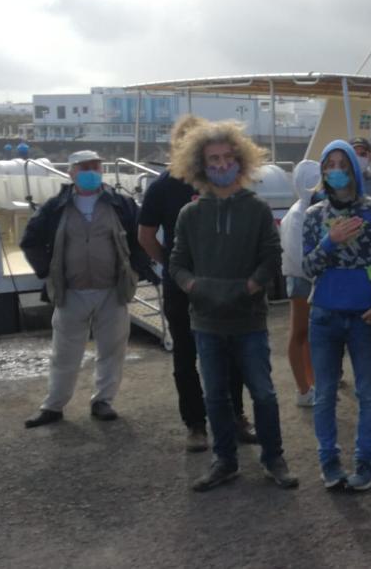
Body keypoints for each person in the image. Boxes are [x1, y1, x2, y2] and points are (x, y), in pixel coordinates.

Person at [169, 121, 298, 492]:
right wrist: (194, 286)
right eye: (213, 159)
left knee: (264, 393)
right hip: (206, 322)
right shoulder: (189, 215)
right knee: (214, 396)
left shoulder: (256, 209)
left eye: (227, 158)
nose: (221, 164)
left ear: (240, 161)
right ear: (199, 164)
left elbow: (271, 256)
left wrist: (251, 287)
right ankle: (224, 461)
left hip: (249, 321)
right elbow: (177, 263)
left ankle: (274, 457)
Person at [139, 116, 258, 450]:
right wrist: (172, 267)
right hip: (182, 290)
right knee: (186, 358)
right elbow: (145, 235)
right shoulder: (162, 186)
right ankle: (195, 425)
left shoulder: (223, 183)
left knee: (230, 355)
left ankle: (236, 417)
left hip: (224, 287)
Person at [22, 150, 157, 428]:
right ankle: (53, 405)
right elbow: (31, 239)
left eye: (96, 167)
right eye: (85, 167)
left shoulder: (121, 203)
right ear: (71, 172)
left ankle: (103, 401)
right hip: (70, 291)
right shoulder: (56, 206)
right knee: (64, 352)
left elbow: (140, 237)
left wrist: (137, 270)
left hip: (112, 291)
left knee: (112, 348)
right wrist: (47, 271)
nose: (91, 172)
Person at [302, 139, 371, 491]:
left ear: (354, 169)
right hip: (324, 314)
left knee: (367, 393)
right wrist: (331, 241)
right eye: (330, 164)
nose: (336, 170)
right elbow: (307, 268)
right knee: (325, 392)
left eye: (343, 163)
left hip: (364, 316)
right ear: (323, 171)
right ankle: (329, 461)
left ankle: (365, 462)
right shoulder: (314, 215)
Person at [278, 159, 322, 408]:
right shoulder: (297, 214)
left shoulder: (308, 209)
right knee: (299, 333)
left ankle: (311, 383)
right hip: (301, 280)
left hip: (309, 279)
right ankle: (302, 388)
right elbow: (298, 257)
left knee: (308, 335)